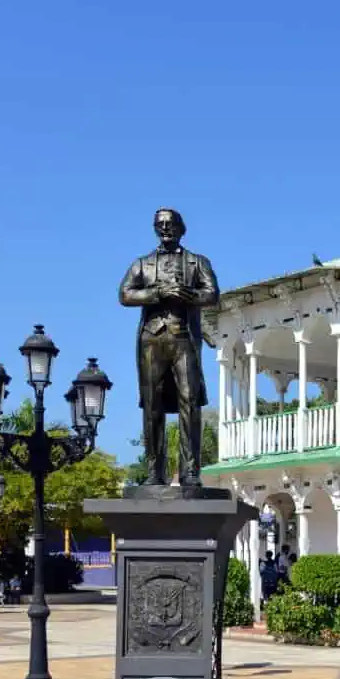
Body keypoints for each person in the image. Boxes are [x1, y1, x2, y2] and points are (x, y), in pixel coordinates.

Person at [119, 208, 221, 487]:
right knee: (152, 406)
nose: (165, 228)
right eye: (160, 224)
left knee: (190, 403)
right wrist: (159, 293)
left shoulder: (197, 262)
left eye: (170, 224)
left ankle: (190, 471)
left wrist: (187, 295)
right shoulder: (142, 263)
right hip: (151, 339)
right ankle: (155, 471)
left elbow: (211, 294)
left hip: (183, 337)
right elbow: (125, 294)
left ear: (181, 228)